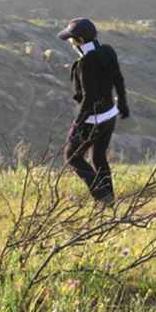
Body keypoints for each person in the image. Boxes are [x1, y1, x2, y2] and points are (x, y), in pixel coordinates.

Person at [58, 18, 129, 205]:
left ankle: (103, 197)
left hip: (94, 118)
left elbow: (88, 98)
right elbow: (118, 79)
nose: (70, 43)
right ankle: (109, 199)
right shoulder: (107, 51)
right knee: (98, 157)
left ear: (80, 40)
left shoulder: (85, 63)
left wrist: (77, 125)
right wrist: (123, 103)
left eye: (72, 39)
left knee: (72, 156)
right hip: (110, 114)